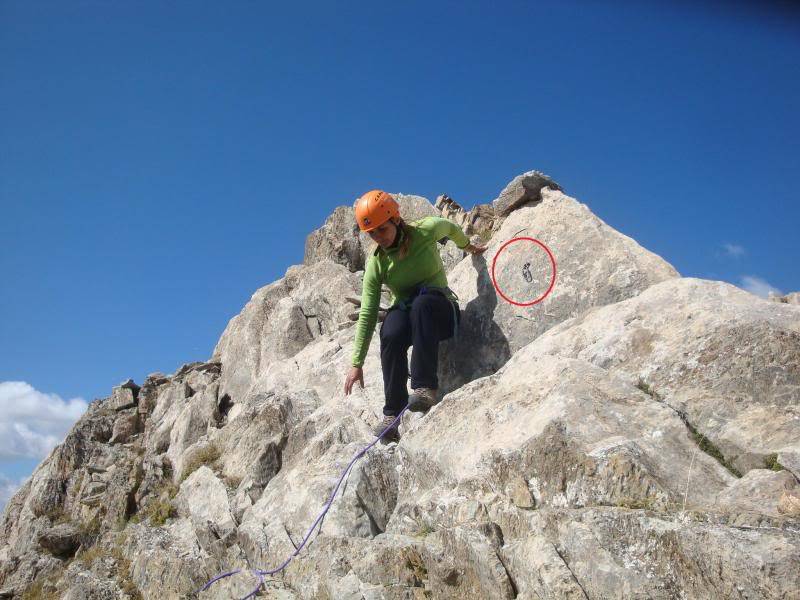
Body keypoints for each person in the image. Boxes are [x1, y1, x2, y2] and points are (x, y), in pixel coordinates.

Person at [342, 189, 488, 443]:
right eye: (372, 233)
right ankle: (392, 416)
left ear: (395, 219)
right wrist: (357, 362)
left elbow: (451, 229)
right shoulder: (377, 264)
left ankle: (424, 387)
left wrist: (469, 247)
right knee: (391, 327)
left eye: (382, 230)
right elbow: (367, 312)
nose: (379, 238)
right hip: (411, 317)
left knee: (422, 304)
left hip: (441, 312)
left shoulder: (426, 230)